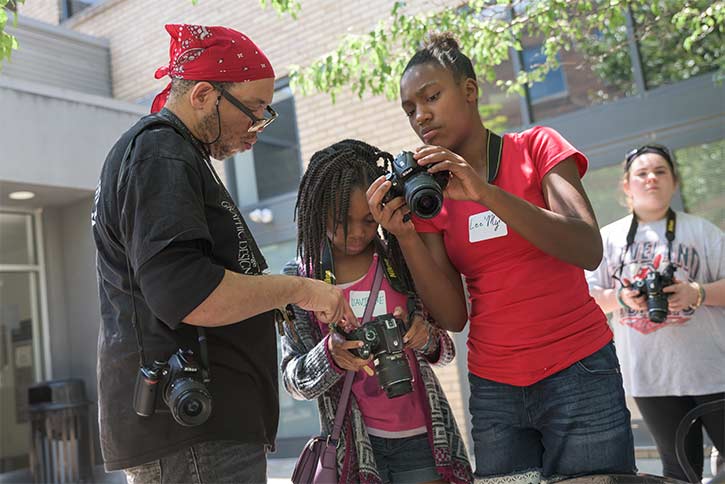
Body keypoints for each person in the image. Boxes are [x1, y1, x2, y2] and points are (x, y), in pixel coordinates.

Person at [366, 33, 637, 482]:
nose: (421, 115)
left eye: (432, 96)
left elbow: (588, 248)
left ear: (469, 91)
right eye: (410, 108)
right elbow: (452, 316)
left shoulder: (536, 147)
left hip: (580, 371)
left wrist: (485, 193)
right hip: (496, 390)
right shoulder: (431, 197)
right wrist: (406, 236)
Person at [91, 24, 355, 484]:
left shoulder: (171, 154)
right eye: (252, 111)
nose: (257, 129)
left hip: (200, 429)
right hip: (193, 436)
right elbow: (190, 294)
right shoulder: (161, 152)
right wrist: (300, 289)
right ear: (202, 96)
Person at [280, 139, 473, 484]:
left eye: (368, 221)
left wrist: (425, 337)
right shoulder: (300, 281)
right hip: (352, 447)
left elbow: (445, 350)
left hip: (423, 441)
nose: (356, 233)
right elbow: (293, 381)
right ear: (318, 209)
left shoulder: (399, 259)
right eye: (342, 220)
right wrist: (331, 355)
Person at [587, 143, 724, 482]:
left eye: (660, 171)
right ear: (626, 185)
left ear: (674, 182)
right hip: (652, 377)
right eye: (642, 173)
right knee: (679, 472)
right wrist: (621, 297)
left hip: (714, 370)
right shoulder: (609, 239)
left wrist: (698, 292)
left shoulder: (702, 231)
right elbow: (584, 299)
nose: (651, 179)